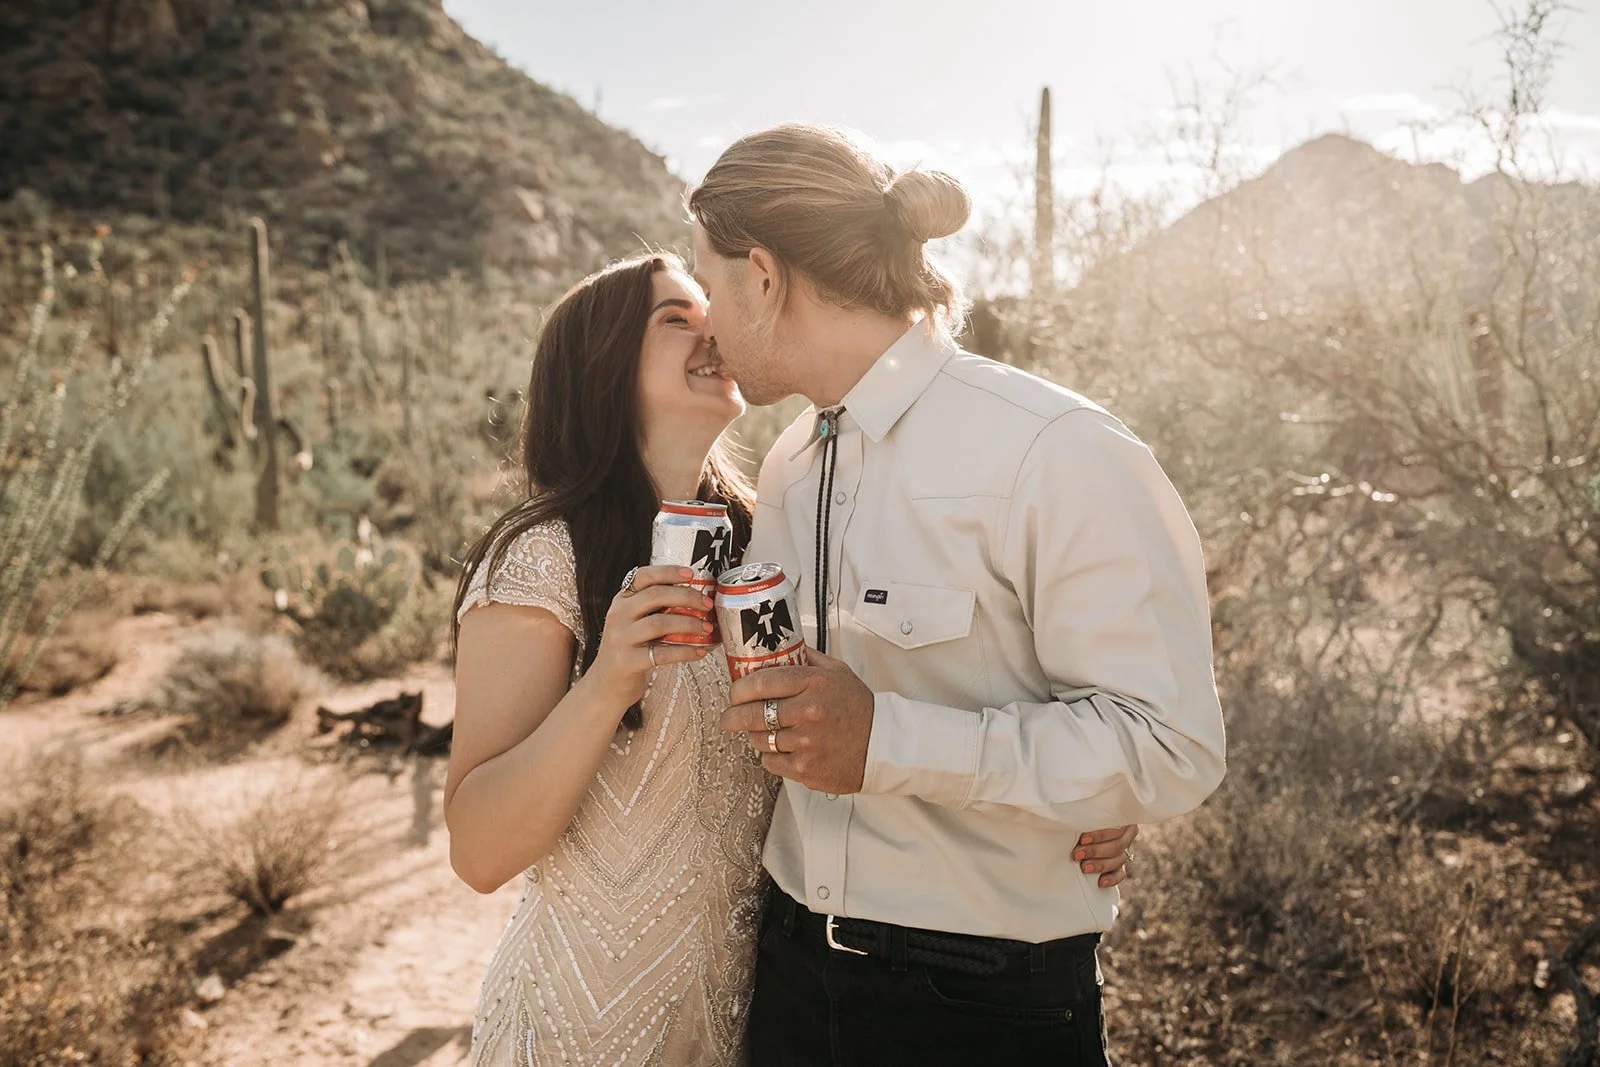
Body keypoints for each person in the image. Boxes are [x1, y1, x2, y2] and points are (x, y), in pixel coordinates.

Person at [444, 252, 1140, 1066]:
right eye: (675, 317)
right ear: (598, 363)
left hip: (756, 1020)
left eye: (711, 307)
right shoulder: (542, 555)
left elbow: (885, 700)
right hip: (579, 1024)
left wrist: (1082, 776)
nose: (712, 326)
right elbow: (479, 851)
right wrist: (605, 685)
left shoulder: (769, 537)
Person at [691, 124, 1227, 1066]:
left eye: (709, 285)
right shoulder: (786, 464)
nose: (706, 320)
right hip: (785, 981)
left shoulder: (1057, 451)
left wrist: (887, 741)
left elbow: (1169, 745)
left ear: (764, 278)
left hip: (980, 1010)